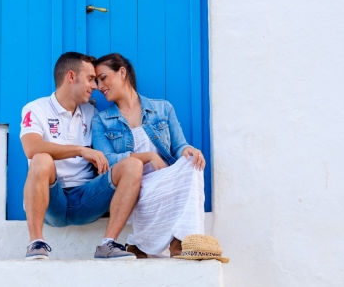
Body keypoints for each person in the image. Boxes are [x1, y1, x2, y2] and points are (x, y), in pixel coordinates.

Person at [20, 52, 143, 260]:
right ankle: (36, 243)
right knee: (41, 158)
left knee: (133, 165)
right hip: (52, 200)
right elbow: (31, 148)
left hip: (88, 198)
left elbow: (108, 154)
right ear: (71, 77)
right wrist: (79, 149)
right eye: (90, 79)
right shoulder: (35, 109)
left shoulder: (91, 114)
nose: (95, 86)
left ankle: (108, 243)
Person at [91, 53, 207, 258]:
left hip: (163, 179)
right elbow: (107, 160)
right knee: (177, 170)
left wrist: (189, 151)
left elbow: (179, 146)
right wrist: (148, 157)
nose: (99, 86)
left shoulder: (163, 108)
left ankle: (181, 242)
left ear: (122, 73)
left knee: (192, 163)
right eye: (96, 81)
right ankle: (144, 243)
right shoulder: (101, 120)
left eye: (103, 77)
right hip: (132, 188)